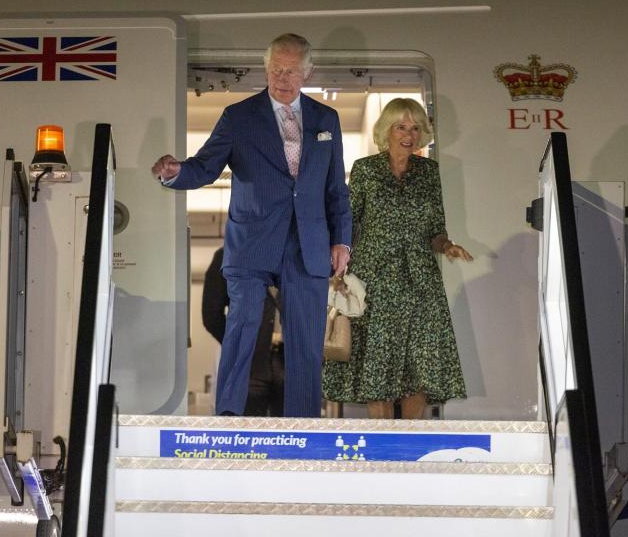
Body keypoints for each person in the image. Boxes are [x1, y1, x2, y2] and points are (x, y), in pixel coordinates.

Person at [152, 33, 351, 418]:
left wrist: (342, 240)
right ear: (265, 68)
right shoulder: (239, 117)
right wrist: (176, 172)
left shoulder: (327, 120)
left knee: (306, 340)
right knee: (242, 323)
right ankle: (228, 415)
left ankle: (303, 424)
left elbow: (335, 189)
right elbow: (204, 166)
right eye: (276, 69)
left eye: (291, 71)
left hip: (307, 243)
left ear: (307, 73)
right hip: (252, 242)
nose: (282, 78)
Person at [322, 98, 472, 419]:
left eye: (416, 128)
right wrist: (338, 265)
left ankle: (411, 442)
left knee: (419, 366)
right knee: (378, 368)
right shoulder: (366, 170)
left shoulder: (429, 173)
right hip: (374, 281)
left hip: (420, 283)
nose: (409, 134)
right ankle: (382, 445)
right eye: (401, 127)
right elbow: (348, 222)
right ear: (386, 131)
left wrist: (448, 246)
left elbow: (436, 229)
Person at [202, 246, 285, 416]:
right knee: (246, 431)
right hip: (248, 366)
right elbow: (211, 315)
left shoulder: (294, 252)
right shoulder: (227, 255)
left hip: (287, 362)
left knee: (291, 435)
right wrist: (238, 345)